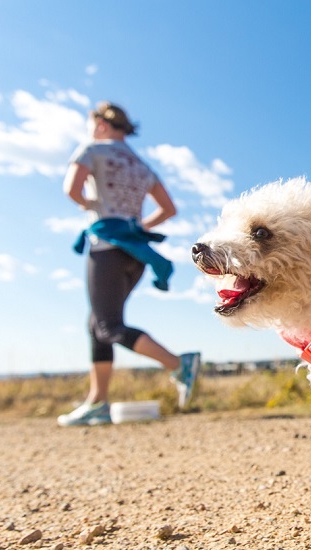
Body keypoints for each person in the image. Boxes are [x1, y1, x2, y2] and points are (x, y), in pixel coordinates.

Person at [58, 101, 201, 426]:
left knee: (108, 326)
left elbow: (71, 190)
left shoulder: (92, 148)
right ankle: (97, 402)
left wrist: (89, 204)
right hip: (135, 252)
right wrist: (139, 226)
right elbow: (168, 209)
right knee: (97, 325)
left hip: (107, 246)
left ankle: (178, 364)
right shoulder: (141, 164)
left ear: (102, 125)